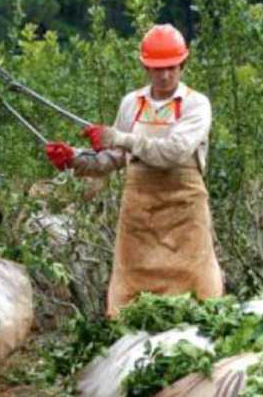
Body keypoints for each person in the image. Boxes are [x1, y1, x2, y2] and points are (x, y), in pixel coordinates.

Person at [45, 24, 224, 318]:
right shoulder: (132, 104)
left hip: (185, 212)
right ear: (145, 67)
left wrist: (118, 137)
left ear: (183, 64)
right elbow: (113, 160)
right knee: (129, 295)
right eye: (157, 69)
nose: (165, 75)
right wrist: (74, 159)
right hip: (139, 214)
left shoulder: (196, 104)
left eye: (171, 67)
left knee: (199, 291)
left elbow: (175, 151)